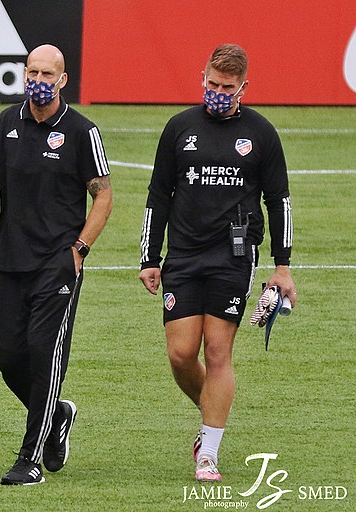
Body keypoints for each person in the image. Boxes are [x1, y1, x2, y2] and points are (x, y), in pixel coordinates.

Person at [138, 44, 296, 482]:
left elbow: (278, 200)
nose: (218, 93)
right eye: (212, 84)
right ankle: (212, 412)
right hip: (183, 255)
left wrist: (282, 266)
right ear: (202, 77)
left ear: (245, 86)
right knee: (181, 353)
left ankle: (208, 450)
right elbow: (158, 195)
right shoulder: (179, 128)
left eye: (228, 87)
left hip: (234, 254)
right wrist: (150, 256)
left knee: (218, 350)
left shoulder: (261, 134)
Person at [0, 44, 112, 485]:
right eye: (32, 72)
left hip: (57, 263)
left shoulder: (83, 131)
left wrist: (79, 250)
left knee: (45, 355)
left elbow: (103, 195)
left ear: (63, 80)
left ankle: (29, 458)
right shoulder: (7, 121)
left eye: (48, 74)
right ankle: (58, 413)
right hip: (11, 259)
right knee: (8, 357)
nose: (39, 80)